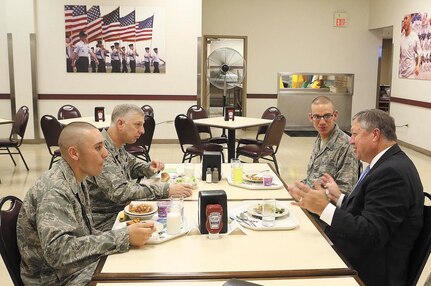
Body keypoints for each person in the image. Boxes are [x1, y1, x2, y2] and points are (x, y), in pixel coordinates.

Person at [288, 109, 424, 285]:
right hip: (363, 256)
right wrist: (340, 199)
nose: (350, 141)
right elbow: (371, 211)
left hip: (369, 271)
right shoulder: (388, 163)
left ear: (375, 135)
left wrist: (324, 208)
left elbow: (372, 234)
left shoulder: (392, 173)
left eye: (354, 134)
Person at [17, 122, 156, 285]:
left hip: (72, 269)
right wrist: (123, 236)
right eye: (98, 148)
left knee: (140, 261)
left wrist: (126, 234)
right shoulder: (54, 191)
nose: (105, 154)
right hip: (55, 278)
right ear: (74, 153)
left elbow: (83, 233)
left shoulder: (77, 177)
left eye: (104, 146)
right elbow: (58, 253)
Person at [86, 104, 193, 231]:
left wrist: (149, 167)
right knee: (171, 223)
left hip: (122, 212)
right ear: (120, 124)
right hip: (107, 222)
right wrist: (166, 190)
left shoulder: (116, 145)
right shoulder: (101, 150)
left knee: (174, 219)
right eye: (137, 125)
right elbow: (121, 191)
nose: (142, 131)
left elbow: (132, 164)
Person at [289, 96, 358, 195]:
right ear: (311, 117)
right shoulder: (320, 139)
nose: (322, 122)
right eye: (317, 117)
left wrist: (309, 195)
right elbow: (313, 178)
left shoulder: (346, 146)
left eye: (327, 116)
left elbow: (345, 192)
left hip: (326, 206)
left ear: (335, 115)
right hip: (312, 198)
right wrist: (298, 187)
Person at [399, 14, 422, 78]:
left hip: (411, 74)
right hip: (401, 74)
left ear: (410, 20)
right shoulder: (401, 38)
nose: (404, 21)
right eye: (403, 19)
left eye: (406, 18)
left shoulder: (414, 36)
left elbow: (419, 52)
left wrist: (417, 66)